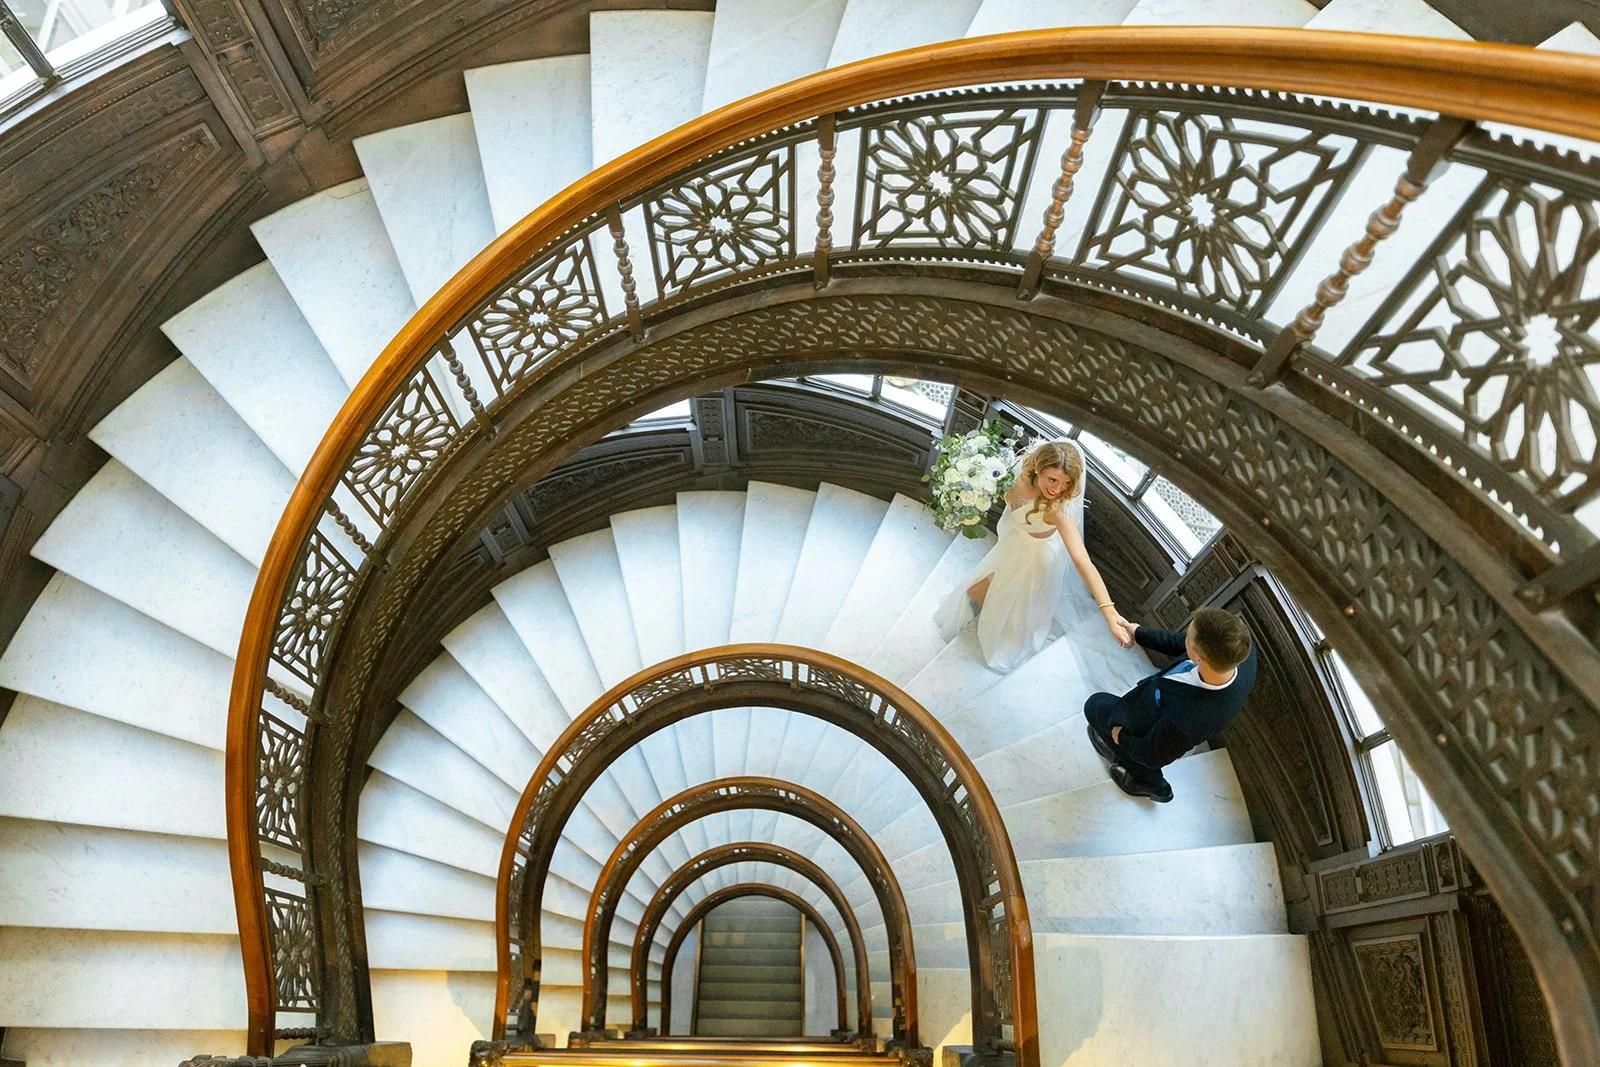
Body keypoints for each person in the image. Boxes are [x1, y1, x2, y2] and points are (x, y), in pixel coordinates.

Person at [935, 439, 1134, 673]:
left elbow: (1082, 561)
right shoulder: (1014, 473)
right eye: (1053, 479)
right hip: (1012, 543)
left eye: (1066, 483)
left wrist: (1109, 611)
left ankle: (1009, 633)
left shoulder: (1058, 512)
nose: (1057, 489)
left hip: (1034, 560)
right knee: (978, 590)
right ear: (1038, 468)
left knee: (1015, 604)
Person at [1084, 607, 1257, 803]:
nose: (1184, 638)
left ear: (1201, 659)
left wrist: (1121, 738)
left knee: (1093, 707)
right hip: (1155, 702)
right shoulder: (1239, 649)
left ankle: (1154, 786)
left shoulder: (1188, 722)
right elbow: (1182, 646)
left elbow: (1151, 756)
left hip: (1152, 725)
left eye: (1188, 637)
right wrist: (1139, 633)